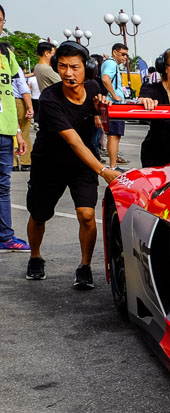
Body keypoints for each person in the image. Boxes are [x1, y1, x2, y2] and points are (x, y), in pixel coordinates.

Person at [25, 41, 122, 286]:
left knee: (87, 215)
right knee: (39, 215)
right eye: (63, 66)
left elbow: (101, 122)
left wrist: (101, 111)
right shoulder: (49, 99)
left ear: (85, 69)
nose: (69, 73)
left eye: (75, 67)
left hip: (82, 164)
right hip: (49, 163)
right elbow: (74, 141)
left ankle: (85, 266)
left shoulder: (93, 86)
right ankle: (35, 257)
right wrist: (103, 170)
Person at [0, 3, 30, 252]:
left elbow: (9, 93)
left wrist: (17, 132)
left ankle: (5, 236)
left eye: (0, 20)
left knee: (3, 185)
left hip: (5, 130)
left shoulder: (6, 54)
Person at [101, 42, 129, 167]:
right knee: (113, 135)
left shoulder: (110, 63)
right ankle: (113, 166)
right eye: (123, 54)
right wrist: (114, 95)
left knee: (115, 135)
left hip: (114, 104)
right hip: (114, 105)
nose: (125, 58)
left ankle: (113, 164)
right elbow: (105, 78)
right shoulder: (111, 64)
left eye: (126, 55)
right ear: (115, 52)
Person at [13, 70, 33, 171]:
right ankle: (26, 162)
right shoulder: (15, 67)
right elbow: (23, 88)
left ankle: (13, 163)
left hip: (4, 100)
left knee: (9, 132)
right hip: (18, 100)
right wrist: (30, 107)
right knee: (24, 132)